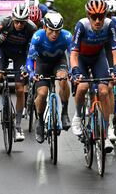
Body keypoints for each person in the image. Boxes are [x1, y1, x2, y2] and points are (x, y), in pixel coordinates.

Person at [70, 0, 116, 153]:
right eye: (94, 17)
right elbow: (73, 54)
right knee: (83, 86)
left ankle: (106, 133)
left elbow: (115, 52)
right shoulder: (82, 25)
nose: (98, 20)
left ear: (106, 15)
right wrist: (75, 71)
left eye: (101, 16)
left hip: (98, 58)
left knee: (105, 91)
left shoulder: (110, 24)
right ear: (88, 16)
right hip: (81, 59)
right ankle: (78, 116)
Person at [0, 3, 37, 142]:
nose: (19, 24)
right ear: (12, 18)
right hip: (4, 52)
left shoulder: (31, 28)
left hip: (21, 55)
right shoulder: (4, 23)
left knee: (20, 89)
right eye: (17, 21)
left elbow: (32, 51)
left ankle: (18, 126)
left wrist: (29, 69)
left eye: (22, 22)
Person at [25, 12, 72, 143]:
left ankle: (64, 112)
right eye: (51, 30)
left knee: (63, 80)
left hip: (59, 62)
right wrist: (31, 73)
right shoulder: (38, 36)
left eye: (58, 31)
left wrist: (74, 71)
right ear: (45, 27)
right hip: (42, 64)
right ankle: (40, 122)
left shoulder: (67, 36)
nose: (55, 34)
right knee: (42, 93)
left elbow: (74, 56)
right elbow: (30, 59)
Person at [105, 0, 116, 142]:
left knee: (110, 85)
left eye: (111, 14)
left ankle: (109, 123)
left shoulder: (115, 23)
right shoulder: (92, 23)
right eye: (107, 14)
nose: (108, 17)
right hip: (96, 54)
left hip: (110, 52)